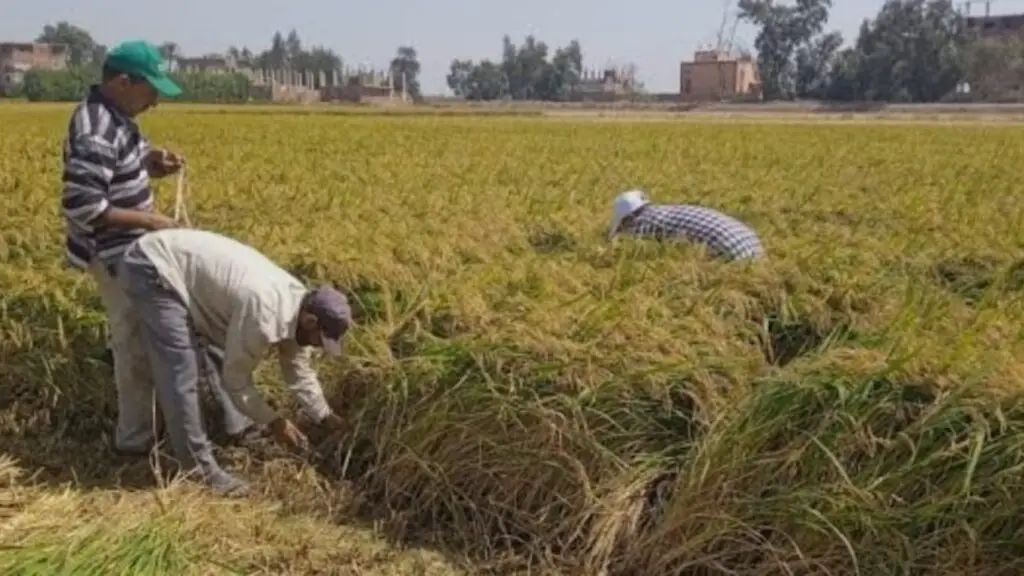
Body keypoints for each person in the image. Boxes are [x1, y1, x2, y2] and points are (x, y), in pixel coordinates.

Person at [61, 39, 255, 455]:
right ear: (123, 82)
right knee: (134, 346)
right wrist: (153, 221)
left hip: (140, 252)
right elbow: (83, 206)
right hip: (116, 256)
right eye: (150, 91)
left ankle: (165, 433)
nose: (155, 103)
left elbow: (120, 166)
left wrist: (151, 162)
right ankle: (136, 445)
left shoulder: (118, 119)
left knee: (166, 340)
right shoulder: (95, 127)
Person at [115, 228, 351, 495]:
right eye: (320, 339)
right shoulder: (264, 313)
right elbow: (236, 381)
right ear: (311, 321)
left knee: (212, 354)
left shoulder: (300, 305)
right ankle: (198, 469)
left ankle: (234, 430)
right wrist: (275, 422)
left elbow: (298, 369)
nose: (319, 346)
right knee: (181, 371)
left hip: (180, 267)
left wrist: (325, 416)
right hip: (155, 268)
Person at [607, 190, 765, 261]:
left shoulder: (644, 224)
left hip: (734, 256)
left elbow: (626, 252)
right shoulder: (664, 211)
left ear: (629, 218)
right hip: (754, 246)